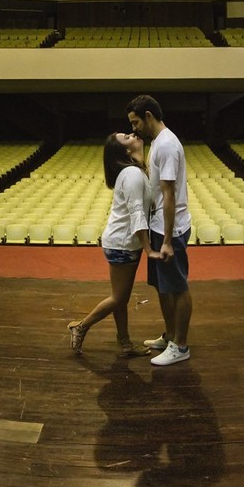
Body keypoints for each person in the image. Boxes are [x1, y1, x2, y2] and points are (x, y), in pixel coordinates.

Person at [67, 132, 154, 357]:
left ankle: (125, 343)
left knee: (120, 297)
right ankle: (81, 326)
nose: (133, 134)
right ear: (126, 150)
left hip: (123, 242)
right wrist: (148, 248)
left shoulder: (134, 171)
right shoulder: (132, 174)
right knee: (119, 298)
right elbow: (136, 212)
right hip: (123, 243)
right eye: (127, 137)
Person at [126, 94, 193, 366]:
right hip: (158, 227)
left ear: (148, 116)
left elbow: (168, 195)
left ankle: (181, 346)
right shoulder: (157, 143)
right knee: (164, 287)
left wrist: (166, 240)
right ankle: (171, 336)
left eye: (135, 122)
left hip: (170, 231)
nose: (133, 129)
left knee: (178, 287)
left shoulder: (166, 145)